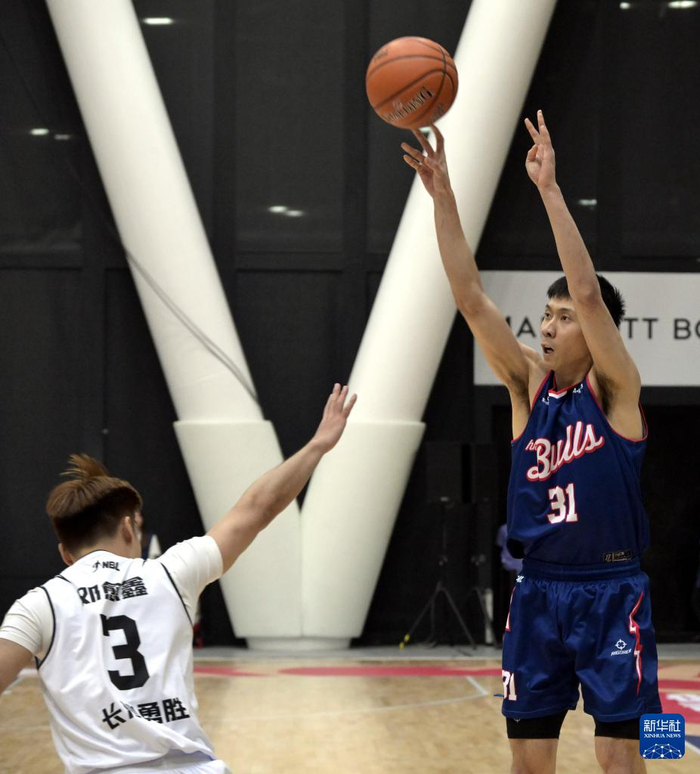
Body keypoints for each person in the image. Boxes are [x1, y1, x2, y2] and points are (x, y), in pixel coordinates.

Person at [402, 113, 660, 774]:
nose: (547, 326)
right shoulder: (526, 387)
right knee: (527, 765)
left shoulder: (617, 390)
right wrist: (443, 198)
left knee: (626, 759)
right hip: (538, 591)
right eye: (545, 315)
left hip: (615, 592)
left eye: (563, 318)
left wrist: (548, 189)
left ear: (593, 333)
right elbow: (469, 298)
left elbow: (589, 294)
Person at [0, 383, 356, 774]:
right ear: (129, 528)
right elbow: (257, 508)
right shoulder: (171, 573)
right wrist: (318, 445)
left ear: (65, 553)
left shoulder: (38, 606)